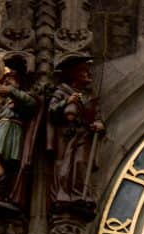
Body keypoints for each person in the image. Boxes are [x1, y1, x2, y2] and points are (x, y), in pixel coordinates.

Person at [0, 67, 37, 209]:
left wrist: (11, 91)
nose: (6, 84)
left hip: (12, 131)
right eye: (5, 82)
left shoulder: (22, 97)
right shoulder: (4, 105)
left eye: (10, 82)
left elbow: (31, 103)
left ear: (19, 83)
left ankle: (0, 192)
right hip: (3, 131)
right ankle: (0, 193)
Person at [47, 54, 104, 206]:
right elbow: (52, 111)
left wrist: (99, 124)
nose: (88, 74)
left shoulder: (89, 97)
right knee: (64, 164)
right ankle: (63, 193)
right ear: (74, 74)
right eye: (84, 71)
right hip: (66, 135)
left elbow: (96, 115)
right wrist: (67, 101)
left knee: (81, 163)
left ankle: (80, 194)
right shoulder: (62, 91)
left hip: (83, 134)